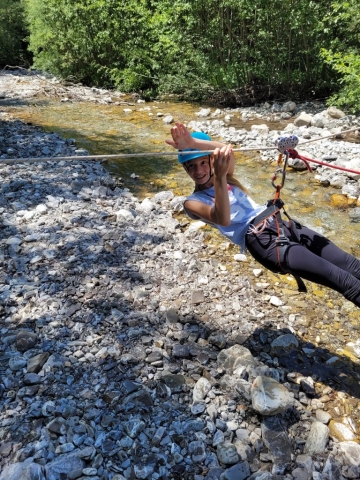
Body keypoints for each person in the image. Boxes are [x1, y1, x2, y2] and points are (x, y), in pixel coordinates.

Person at [166, 122, 360, 307]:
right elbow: (222, 219)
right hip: (263, 242)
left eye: (202, 162)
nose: (198, 170)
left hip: (281, 224)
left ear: (212, 160)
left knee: (351, 264)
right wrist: (218, 176)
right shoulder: (193, 202)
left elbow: (226, 148)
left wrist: (192, 143)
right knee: (342, 279)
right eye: (191, 166)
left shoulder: (227, 178)